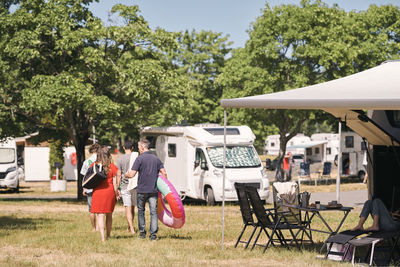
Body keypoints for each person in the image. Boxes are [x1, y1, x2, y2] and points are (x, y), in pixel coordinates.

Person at [125, 138, 167, 241]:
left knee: (141, 211)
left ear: (143, 147)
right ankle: (153, 235)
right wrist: (163, 187)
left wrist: (126, 175)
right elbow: (164, 173)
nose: (138, 149)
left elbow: (132, 174)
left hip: (142, 190)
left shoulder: (139, 159)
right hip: (153, 190)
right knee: (153, 212)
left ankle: (142, 233)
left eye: (139, 147)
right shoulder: (156, 159)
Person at [90, 146, 119, 241]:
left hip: (97, 192)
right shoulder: (112, 167)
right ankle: (108, 235)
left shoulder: (94, 165)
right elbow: (115, 183)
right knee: (109, 214)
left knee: (100, 215)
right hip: (109, 192)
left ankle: (102, 237)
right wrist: (116, 193)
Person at [116, 140, 137, 235]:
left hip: (125, 186)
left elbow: (119, 174)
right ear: (132, 148)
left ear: (124, 148)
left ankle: (131, 228)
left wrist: (117, 187)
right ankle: (130, 227)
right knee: (133, 208)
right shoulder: (136, 157)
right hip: (135, 186)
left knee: (127, 208)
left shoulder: (120, 159)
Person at [80, 143, 100, 231]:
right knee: (100, 209)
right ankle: (100, 227)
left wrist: (84, 188)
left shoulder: (86, 162)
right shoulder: (101, 161)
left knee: (92, 209)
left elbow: (84, 177)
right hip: (99, 187)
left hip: (89, 188)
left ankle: (93, 228)